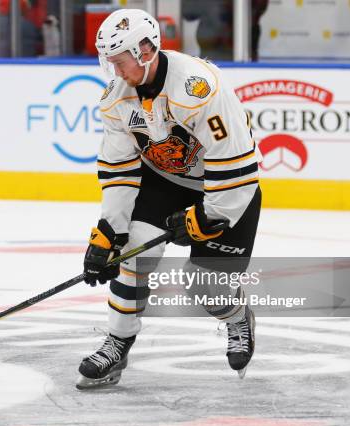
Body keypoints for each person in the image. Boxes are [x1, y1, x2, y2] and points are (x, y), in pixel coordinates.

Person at [77, 8, 262, 390]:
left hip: (226, 189)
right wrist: (110, 230)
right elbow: (120, 169)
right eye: (109, 62)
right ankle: (117, 342)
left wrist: (208, 216)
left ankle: (237, 315)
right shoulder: (117, 100)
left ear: (145, 51)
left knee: (203, 286)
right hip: (164, 181)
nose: (114, 71)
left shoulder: (199, 87)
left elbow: (237, 168)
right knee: (133, 254)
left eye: (119, 61)